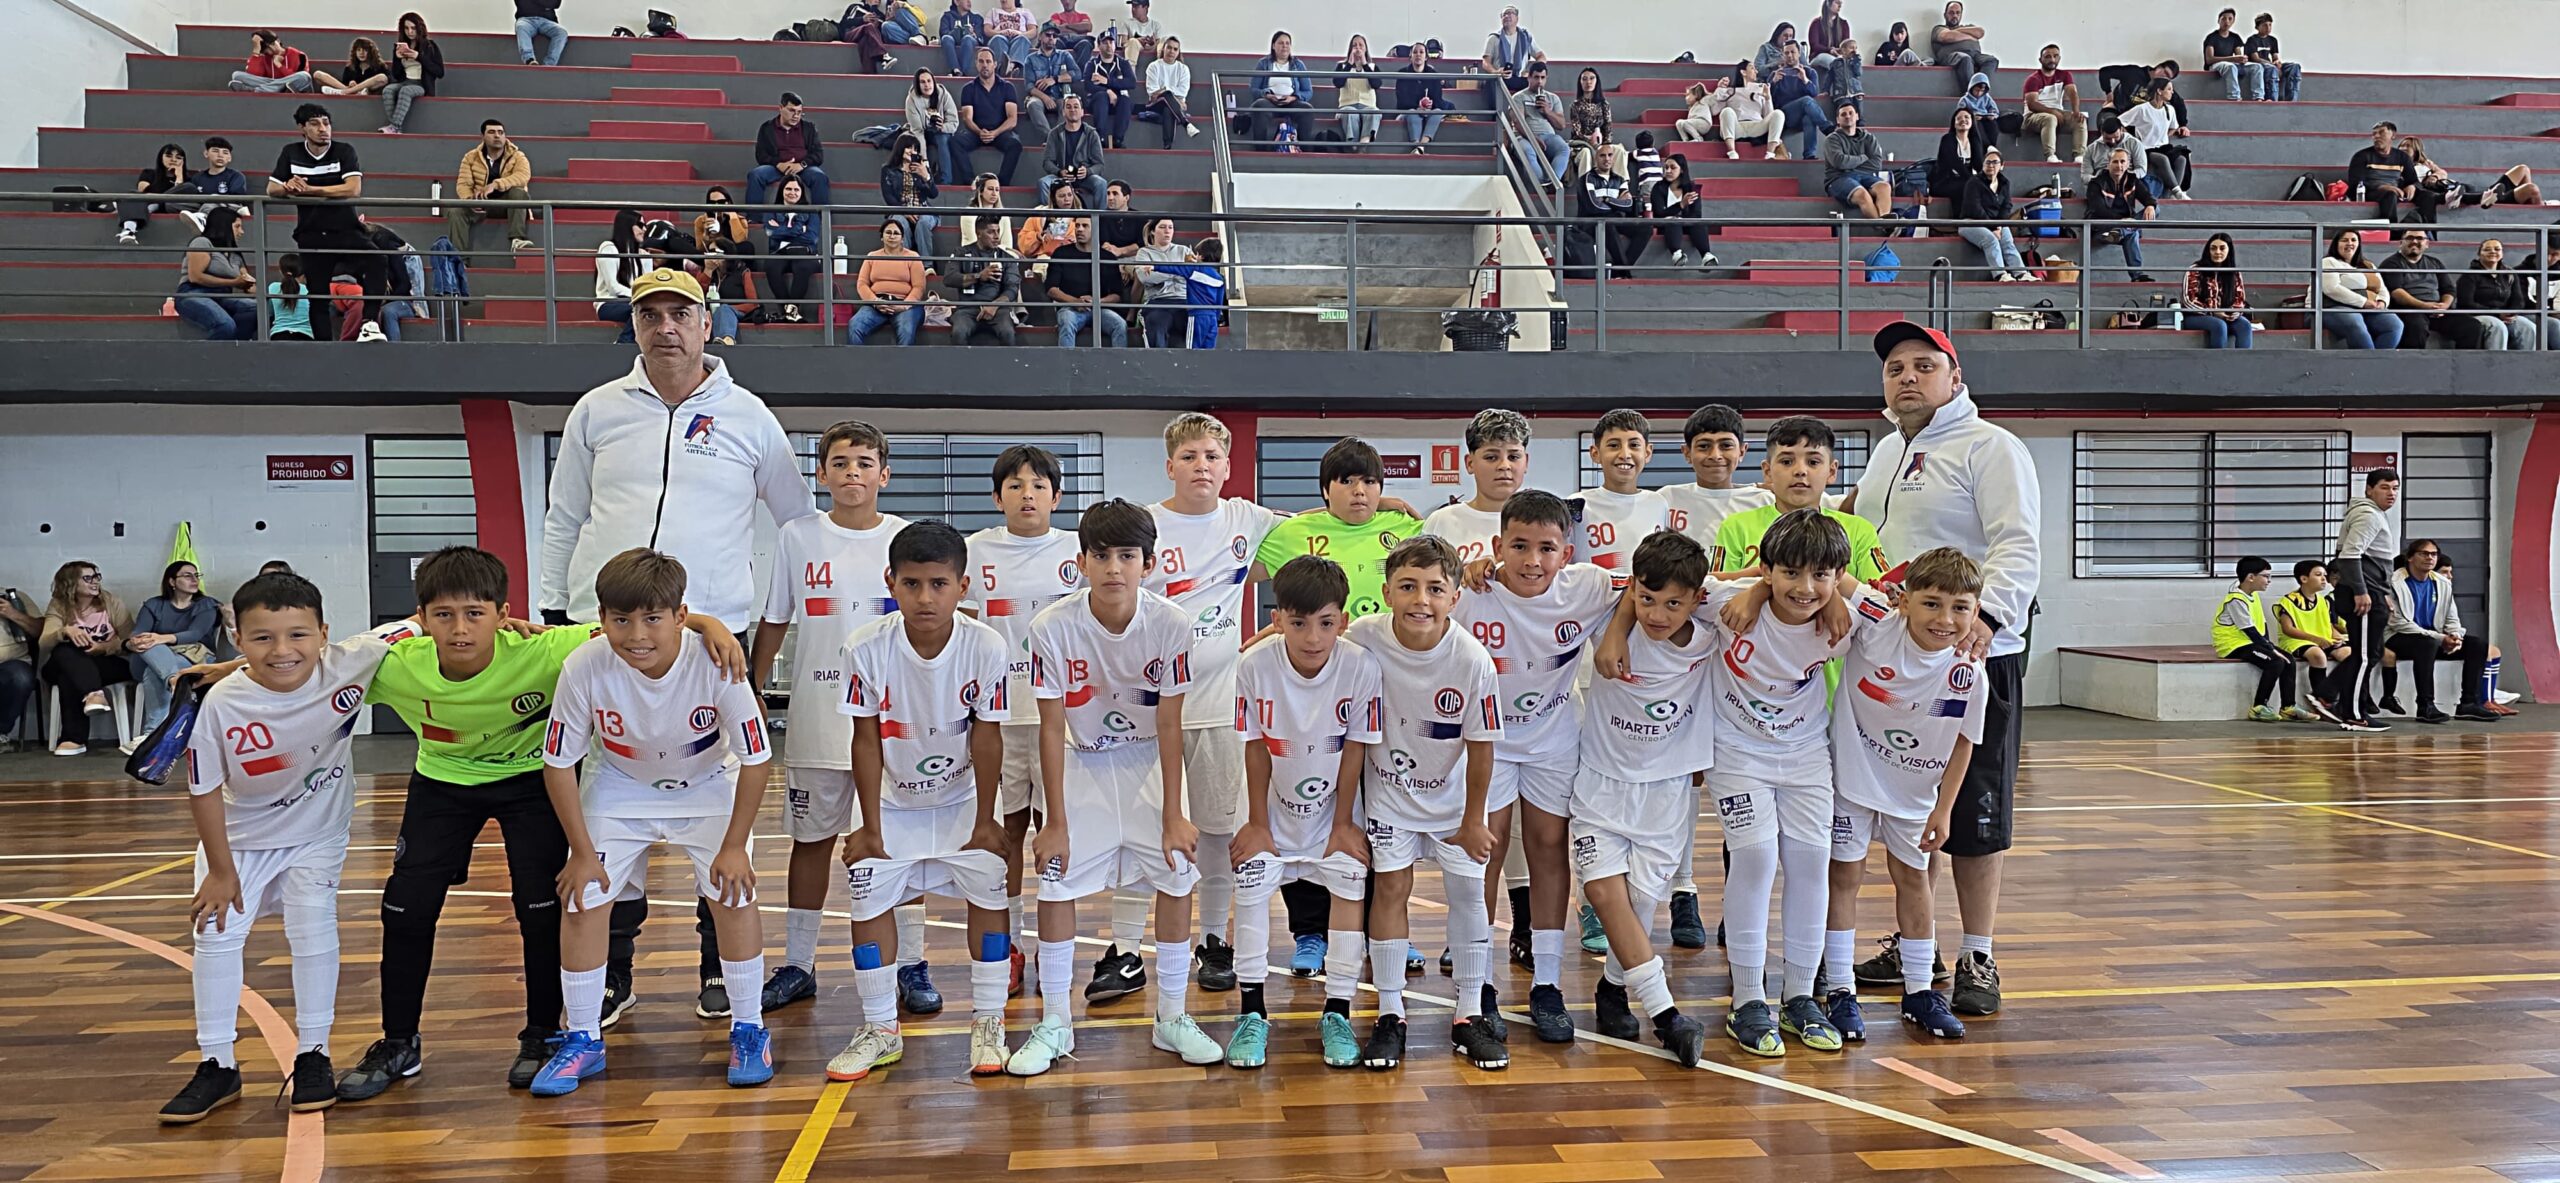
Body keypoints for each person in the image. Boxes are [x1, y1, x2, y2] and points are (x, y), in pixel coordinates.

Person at [320, 546, 747, 1103]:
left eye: (475, 614)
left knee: (544, 905)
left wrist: (711, 624)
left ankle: (543, 1035)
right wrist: (232, 671)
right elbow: (304, 664)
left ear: (503, 614)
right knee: (405, 908)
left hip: (530, 780)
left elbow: (637, 618)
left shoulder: (548, 649)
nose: (459, 629)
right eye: (443, 616)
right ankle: (398, 1041)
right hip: (442, 782)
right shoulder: (395, 664)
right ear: (421, 621)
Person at [537, 266, 811, 1023]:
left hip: (714, 631)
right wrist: (555, 610)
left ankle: (718, 968)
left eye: (678, 313)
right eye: (648, 312)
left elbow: (795, 523)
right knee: (606, 800)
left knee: (716, 796)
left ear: (706, 322)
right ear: (633, 325)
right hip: (608, 628)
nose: (664, 326)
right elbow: (563, 516)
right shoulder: (597, 410)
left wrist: (777, 616)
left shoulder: (750, 416)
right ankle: (613, 969)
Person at [155, 575, 421, 1123]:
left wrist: (524, 624)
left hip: (316, 835)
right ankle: (217, 1063)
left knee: (314, 930)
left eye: (298, 635)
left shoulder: (353, 660)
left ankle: (314, 1053)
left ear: (325, 633)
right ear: (237, 639)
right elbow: (202, 789)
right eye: (261, 640)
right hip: (239, 840)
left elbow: (422, 620)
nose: (282, 651)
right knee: (216, 935)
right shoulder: (221, 705)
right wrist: (221, 871)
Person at [1843, 323, 2043, 1021]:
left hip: (1972, 655)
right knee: (1910, 807)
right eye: (1895, 366)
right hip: (1898, 660)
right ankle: (1914, 943)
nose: (1906, 377)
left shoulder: (1992, 448)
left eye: (1923, 366)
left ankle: (1978, 951)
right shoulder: (1886, 453)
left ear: (1954, 378)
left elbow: (2018, 543)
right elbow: (1865, 543)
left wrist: (1986, 617)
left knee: (1974, 813)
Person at [528, 549, 776, 1096]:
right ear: (601, 618)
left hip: (708, 783)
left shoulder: (717, 663)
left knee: (733, 893)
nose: (636, 635)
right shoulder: (584, 666)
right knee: (583, 896)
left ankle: (749, 1026)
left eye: (652, 619)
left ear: (681, 616)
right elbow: (557, 762)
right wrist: (580, 851)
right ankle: (584, 1038)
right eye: (620, 620)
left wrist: (735, 845)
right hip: (620, 785)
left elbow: (758, 761)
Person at [1005, 498, 1221, 1076]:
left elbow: (1171, 722)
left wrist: (1175, 811)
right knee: (1055, 886)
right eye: (1101, 555)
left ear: (1148, 564)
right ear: (1081, 562)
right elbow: (1051, 726)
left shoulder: (1172, 625)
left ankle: (1172, 1016)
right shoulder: (1050, 627)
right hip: (1082, 767)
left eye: (1127, 555)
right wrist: (1052, 816)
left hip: (1151, 765)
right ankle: (1054, 1021)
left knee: (1177, 878)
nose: (1114, 567)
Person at [818, 522, 1023, 1081]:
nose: (925, 598)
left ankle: (988, 1021)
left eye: (938, 584)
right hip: (889, 801)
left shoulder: (986, 645)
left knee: (988, 891)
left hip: (962, 800)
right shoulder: (865, 646)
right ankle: (881, 1027)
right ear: (891, 582)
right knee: (868, 902)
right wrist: (868, 823)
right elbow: (864, 737)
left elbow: (987, 734)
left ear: (963, 585)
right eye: (911, 584)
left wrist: (986, 819)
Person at [747, 423, 930, 1020]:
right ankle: (798, 964)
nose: (853, 472)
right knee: (811, 842)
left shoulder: (908, 539)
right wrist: (750, 686)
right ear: (821, 474)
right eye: (840, 462)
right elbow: (775, 621)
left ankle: (914, 964)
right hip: (818, 722)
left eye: (865, 462)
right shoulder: (796, 536)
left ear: (885, 474)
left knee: (899, 843)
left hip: (894, 726)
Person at [1445, 488, 1612, 1041]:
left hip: (1553, 742)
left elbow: (1654, 588)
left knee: (1547, 850)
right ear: (1496, 546)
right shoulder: (1470, 592)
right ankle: (1478, 986)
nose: (1532, 561)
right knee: (1481, 859)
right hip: (1485, 745)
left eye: (1546, 548)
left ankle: (1547, 983)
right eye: (1518, 546)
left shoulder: (1588, 587)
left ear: (1567, 553)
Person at [1333, 537, 1501, 1070]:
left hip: (1455, 805)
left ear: (1454, 597)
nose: (1420, 600)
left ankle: (1470, 1012)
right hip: (1390, 798)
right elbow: (1308, 638)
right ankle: (1389, 1013)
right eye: (1407, 587)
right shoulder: (1363, 638)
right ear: (1386, 592)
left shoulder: (1473, 661)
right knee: (1391, 890)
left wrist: (1474, 819)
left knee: (1468, 895)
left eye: (1434, 589)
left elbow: (1481, 747)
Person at [1223, 556, 1384, 1069]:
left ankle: (1337, 1009)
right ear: (1277, 619)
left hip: (1331, 814)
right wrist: (1257, 823)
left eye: (1326, 623)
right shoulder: (1253, 666)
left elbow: (1356, 748)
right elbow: (1253, 748)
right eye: (1298, 623)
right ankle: (1251, 1013)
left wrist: (1342, 824)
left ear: (1343, 620)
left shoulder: (1360, 666)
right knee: (1250, 886)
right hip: (1269, 810)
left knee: (1347, 883)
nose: (1312, 637)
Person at [1570, 530, 1721, 1066]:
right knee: (1606, 897)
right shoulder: (1609, 610)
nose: (1657, 614)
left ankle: (1612, 988)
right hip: (1599, 784)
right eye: (1647, 599)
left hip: (1667, 791)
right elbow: (1556, 584)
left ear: (1697, 597)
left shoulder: (1713, 625)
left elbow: (1764, 589)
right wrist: (1617, 625)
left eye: (1673, 603)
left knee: (1638, 907)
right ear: (1632, 588)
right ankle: (1667, 1016)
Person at [1825, 547, 1986, 1041]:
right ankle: (1839, 990)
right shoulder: (1876, 623)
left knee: (1914, 881)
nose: (1945, 618)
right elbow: (1836, 576)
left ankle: (1919, 991)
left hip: (1913, 792)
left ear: (1976, 611)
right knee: (1844, 878)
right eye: (1932, 603)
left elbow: (1963, 743)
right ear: (1904, 600)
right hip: (1851, 780)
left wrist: (1944, 808)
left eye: (1960, 607)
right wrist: (1832, 594)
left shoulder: (1968, 673)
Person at [957, 448, 1079, 999]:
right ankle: (1007, 945)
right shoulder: (974, 551)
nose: (1026, 494)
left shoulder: (1079, 551)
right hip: (998, 718)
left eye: (1037, 485)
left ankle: (1055, 951)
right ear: (996, 496)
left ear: (1057, 496)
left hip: (1063, 720)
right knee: (1002, 837)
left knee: (1054, 832)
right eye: (1014, 485)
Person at [266, 103, 384, 342]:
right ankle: (322, 345)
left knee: (377, 259)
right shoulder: (291, 152)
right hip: (310, 232)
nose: (323, 129)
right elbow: (272, 188)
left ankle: (369, 322)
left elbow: (353, 189)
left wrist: (310, 190)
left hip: (346, 229)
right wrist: (288, 187)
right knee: (318, 295)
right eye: (315, 124)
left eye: (326, 123)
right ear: (302, 128)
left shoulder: (344, 151)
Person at [2386, 540, 2501, 723]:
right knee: (2427, 644)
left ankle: (2468, 704)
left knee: (2477, 645)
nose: (2429, 558)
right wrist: (2441, 638)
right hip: (2398, 636)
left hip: (2434, 637)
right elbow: (2399, 622)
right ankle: (2425, 705)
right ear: (2410, 557)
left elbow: (2451, 616)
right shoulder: (2394, 581)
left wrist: (2455, 636)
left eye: (2433, 554)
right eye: (2424, 553)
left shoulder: (2442, 582)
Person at [2326, 468, 2399, 731]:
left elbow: (2373, 562)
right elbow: (2349, 556)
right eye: (2384, 487)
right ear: (2368, 489)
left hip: (2373, 591)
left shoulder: (2374, 515)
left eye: (2395, 488)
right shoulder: (2368, 515)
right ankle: (2353, 713)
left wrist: (2384, 593)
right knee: (2366, 655)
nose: (2391, 493)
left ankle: (2328, 694)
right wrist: (2361, 591)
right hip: (2362, 594)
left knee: (2373, 651)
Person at [37, 561, 135, 758]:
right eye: (88, 578)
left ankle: (74, 739)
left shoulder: (111, 602)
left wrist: (104, 648)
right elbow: (44, 643)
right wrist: (65, 631)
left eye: (96, 577)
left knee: (69, 676)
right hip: (67, 662)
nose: (95, 582)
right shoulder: (59, 606)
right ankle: (93, 694)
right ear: (71, 583)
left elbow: (130, 641)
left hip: (106, 662)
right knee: (64, 651)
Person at [128, 561, 224, 741]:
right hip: (156, 659)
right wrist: (135, 641)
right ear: (172, 582)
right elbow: (138, 632)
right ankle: (173, 679)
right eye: (187, 575)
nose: (194, 579)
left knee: (154, 671)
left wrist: (162, 638)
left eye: (196, 575)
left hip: (194, 658)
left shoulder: (206, 605)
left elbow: (195, 633)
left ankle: (152, 734)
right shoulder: (154, 604)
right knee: (151, 647)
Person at [1577, 410, 1671, 585]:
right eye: (1613, 445)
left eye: (1634, 445)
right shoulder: (1577, 505)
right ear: (1595, 453)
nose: (1625, 454)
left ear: (1648, 452)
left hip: (1644, 606)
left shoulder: (1658, 503)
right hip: (1592, 608)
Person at [2213, 557, 2297, 720]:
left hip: (2250, 643)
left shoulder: (2253, 595)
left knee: (2289, 660)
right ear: (2251, 577)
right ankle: (2259, 707)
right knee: (2275, 662)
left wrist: (2269, 645)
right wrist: (2271, 650)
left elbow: (2261, 626)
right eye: (2265, 576)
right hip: (2233, 645)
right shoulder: (2236, 599)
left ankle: (2288, 707)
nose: (2269, 580)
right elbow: (2249, 630)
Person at [2382, 227, 2489, 349]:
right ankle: (2412, 365)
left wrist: (2444, 306)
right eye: (2410, 238)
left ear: (2427, 244)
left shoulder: (2434, 263)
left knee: (2472, 326)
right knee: (2416, 327)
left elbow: (2449, 289)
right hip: (2409, 311)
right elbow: (2397, 293)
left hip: (2437, 311)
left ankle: (2464, 365)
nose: (2415, 241)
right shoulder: (2391, 264)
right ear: (2401, 243)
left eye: (2420, 238)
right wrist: (2425, 306)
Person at [2274, 560, 2351, 722]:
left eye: (2324, 575)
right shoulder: (2288, 600)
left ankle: (2345, 704)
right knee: (2318, 656)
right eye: (2318, 575)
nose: (2324, 579)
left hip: (2324, 639)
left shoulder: (2323, 601)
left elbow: (2328, 626)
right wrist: (2315, 639)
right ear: (2303, 579)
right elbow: (2288, 629)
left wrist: (2338, 638)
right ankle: (2322, 701)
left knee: (2350, 655)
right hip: (2297, 641)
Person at [447, 120, 536, 258]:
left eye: (501, 132)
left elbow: (523, 176)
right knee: (455, 210)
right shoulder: (470, 157)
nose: (497, 136)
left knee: (519, 193)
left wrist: (495, 185)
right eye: (492, 132)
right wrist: (470, 200)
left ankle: (518, 240)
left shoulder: (518, 156)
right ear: (483, 136)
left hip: (507, 205)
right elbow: (463, 184)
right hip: (481, 204)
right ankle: (459, 260)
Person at [176, 207, 260, 340]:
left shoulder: (235, 254)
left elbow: (247, 282)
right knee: (225, 325)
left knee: (258, 308)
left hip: (221, 296)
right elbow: (195, 277)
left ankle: (237, 346)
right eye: (237, 227)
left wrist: (254, 287)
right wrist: (233, 283)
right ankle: (205, 358)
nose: (241, 232)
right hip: (194, 293)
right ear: (225, 225)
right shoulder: (202, 242)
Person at [1567, 144, 1645, 281]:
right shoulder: (1587, 179)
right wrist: (1617, 203)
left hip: (1613, 219)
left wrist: (1607, 200)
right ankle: (1624, 273)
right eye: (1602, 155)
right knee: (1607, 224)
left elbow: (1629, 205)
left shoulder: (1619, 179)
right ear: (1596, 158)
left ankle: (1620, 269)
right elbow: (1593, 207)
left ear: (1614, 158)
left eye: (1610, 155)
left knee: (1646, 228)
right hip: (1589, 222)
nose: (1606, 159)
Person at [2317, 227, 2402, 350]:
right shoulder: (2328, 262)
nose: (2349, 243)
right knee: (2355, 322)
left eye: (2353, 240)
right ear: (2336, 244)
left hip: (2366, 308)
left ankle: (2375, 363)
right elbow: (2331, 288)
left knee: (2395, 325)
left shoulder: (2368, 265)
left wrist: (2382, 303)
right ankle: (2369, 365)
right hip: (2330, 306)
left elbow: (2382, 289)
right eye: (2344, 240)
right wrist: (2364, 302)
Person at [1045, 217, 1127, 346]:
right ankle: (1066, 365)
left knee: (1120, 324)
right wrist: (1075, 302)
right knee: (1067, 322)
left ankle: (1120, 365)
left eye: (1085, 226)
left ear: (1095, 229)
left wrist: (1097, 302)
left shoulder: (1108, 257)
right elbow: (1051, 289)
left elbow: (1117, 295)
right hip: (1070, 307)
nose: (1079, 230)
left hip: (1100, 308)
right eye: (1077, 226)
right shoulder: (1061, 253)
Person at [849, 220, 930, 346]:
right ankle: (860, 364)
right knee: (855, 325)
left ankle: (902, 365)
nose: (892, 236)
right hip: (877, 304)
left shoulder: (913, 256)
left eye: (896, 233)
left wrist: (904, 306)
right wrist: (875, 302)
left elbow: (919, 287)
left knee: (906, 330)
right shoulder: (872, 256)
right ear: (882, 237)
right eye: (888, 232)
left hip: (905, 305)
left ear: (902, 238)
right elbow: (862, 284)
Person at [2085, 147, 2157, 284]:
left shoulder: (2132, 180)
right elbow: (2098, 210)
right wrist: (2122, 220)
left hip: (2121, 229)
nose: (2120, 165)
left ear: (2128, 164)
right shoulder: (2096, 183)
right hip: (2103, 230)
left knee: (2155, 210)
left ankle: (2122, 231)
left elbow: (2148, 197)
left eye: (2123, 161)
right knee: (2132, 232)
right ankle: (2137, 275)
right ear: (2108, 164)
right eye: (2115, 162)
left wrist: (2150, 205)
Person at [948, 216, 1022, 345]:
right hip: (967, 308)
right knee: (959, 332)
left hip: (998, 309)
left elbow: (1012, 288)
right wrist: (978, 276)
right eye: (990, 232)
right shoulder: (961, 252)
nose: (996, 236)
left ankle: (1010, 365)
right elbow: (949, 279)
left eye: (998, 231)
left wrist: (994, 305)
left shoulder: (1007, 258)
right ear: (978, 233)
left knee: (1007, 332)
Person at [1957, 149, 2029, 282]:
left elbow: (2006, 206)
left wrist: (1999, 226)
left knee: (2007, 241)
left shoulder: (2004, 183)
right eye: (1987, 162)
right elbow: (1975, 209)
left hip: (1995, 224)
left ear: (2002, 165)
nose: (1991, 165)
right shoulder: (1974, 182)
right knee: (1991, 240)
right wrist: (1994, 227)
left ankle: (2021, 273)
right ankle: (2000, 275)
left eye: (1995, 162)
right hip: (1970, 222)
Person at [960, 47, 1028, 186]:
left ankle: (1001, 183)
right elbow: (967, 118)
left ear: (995, 64)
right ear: (976, 64)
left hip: (1000, 132)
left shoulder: (1007, 87)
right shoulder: (968, 88)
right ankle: (970, 181)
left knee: (1015, 144)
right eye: (981, 61)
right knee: (955, 142)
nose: (985, 65)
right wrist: (980, 132)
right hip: (977, 132)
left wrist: (995, 133)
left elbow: (1012, 118)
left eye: (988, 61)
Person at [749, 94, 830, 208]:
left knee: (819, 177)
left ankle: (821, 219)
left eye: (799, 112)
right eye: (792, 111)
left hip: (803, 167)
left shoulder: (809, 128)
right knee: (756, 175)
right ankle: (754, 217)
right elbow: (761, 155)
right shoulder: (767, 128)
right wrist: (778, 164)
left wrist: (801, 165)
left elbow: (818, 155)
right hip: (776, 167)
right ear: (781, 108)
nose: (796, 116)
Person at [2459, 239, 2542, 351]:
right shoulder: (2469, 276)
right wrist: (2497, 314)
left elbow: (2518, 300)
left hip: (2504, 316)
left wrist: (2511, 313)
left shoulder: (2510, 274)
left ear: (2502, 253)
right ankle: (2496, 364)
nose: (2493, 252)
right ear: (2479, 254)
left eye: (2497, 249)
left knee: (2529, 327)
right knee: (2498, 327)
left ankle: (2527, 364)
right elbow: (2466, 303)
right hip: (2479, 315)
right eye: (2487, 249)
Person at [759, 178, 822, 322]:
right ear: (782, 190)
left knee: (803, 266)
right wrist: (800, 229)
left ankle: (791, 310)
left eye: (796, 190)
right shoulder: (771, 211)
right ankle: (789, 311)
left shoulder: (812, 212)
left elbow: (811, 238)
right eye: (788, 189)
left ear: (801, 192)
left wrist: (783, 231)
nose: (792, 193)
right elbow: (770, 232)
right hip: (780, 253)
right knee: (771, 266)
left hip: (805, 252)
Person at [1820, 101, 1891, 220]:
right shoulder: (1831, 140)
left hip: (1865, 177)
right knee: (1862, 194)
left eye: (1850, 113)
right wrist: (1863, 158)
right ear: (1838, 120)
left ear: (1857, 116)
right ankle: (1883, 226)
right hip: (1838, 179)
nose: (1847, 116)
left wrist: (1850, 164)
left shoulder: (1868, 138)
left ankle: (1885, 221)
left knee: (1884, 187)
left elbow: (1876, 164)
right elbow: (1839, 162)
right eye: (1843, 114)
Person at [1647, 152, 1716, 268]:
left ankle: (1707, 256)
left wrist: (1682, 217)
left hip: (1688, 224)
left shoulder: (1692, 188)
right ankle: (1677, 255)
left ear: (1682, 170)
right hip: (1667, 225)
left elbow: (1696, 213)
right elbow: (1659, 213)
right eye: (1666, 167)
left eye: (1673, 168)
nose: (1668, 171)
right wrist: (1681, 205)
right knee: (1673, 221)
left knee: (1699, 224)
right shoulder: (1658, 188)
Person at [1043, 91, 1109, 210]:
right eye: (1068, 107)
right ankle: (1050, 219)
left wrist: (1088, 171)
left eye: (1076, 106)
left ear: (1082, 112)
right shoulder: (1054, 133)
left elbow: (1100, 164)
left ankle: (1099, 222)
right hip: (1062, 176)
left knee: (1101, 183)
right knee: (1043, 183)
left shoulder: (1092, 134)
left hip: (1085, 177)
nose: (1072, 109)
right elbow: (1047, 162)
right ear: (1063, 112)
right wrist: (1059, 172)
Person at [1249, 31, 1315, 149]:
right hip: (1270, 102)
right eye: (1281, 43)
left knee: (1307, 110)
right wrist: (1267, 96)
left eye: (1287, 43)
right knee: (1258, 106)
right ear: (1273, 46)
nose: (1284, 46)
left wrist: (1294, 97)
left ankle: (1304, 149)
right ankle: (1260, 150)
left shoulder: (1298, 65)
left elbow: (1308, 91)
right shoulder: (1263, 63)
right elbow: (1254, 89)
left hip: (1291, 102)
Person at [2020, 45, 2086, 164]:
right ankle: (2050, 155)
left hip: (2057, 113)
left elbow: (2072, 92)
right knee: (2050, 118)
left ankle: (2079, 156)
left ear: (2059, 58)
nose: (2052, 60)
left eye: (2055, 56)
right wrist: (2052, 112)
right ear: (2041, 60)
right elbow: (2032, 105)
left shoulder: (2065, 75)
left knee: (2080, 119)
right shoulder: (2033, 79)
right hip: (2032, 116)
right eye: (2048, 57)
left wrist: (2076, 110)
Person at [2124, 82, 2191, 199]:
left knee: (2181, 158)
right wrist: (2132, 139)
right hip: (2145, 148)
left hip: (2163, 147)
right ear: (2159, 91)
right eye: (2169, 89)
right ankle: (2177, 192)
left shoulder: (2170, 109)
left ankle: (2168, 195)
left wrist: (2164, 135)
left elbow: (2173, 127)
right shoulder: (2141, 109)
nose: (2172, 92)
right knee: (2162, 159)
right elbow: (2120, 121)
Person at [112, 143, 188, 246]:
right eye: (169, 156)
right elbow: (144, 192)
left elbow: (181, 198)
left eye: (178, 157)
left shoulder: (188, 180)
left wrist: (179, 178)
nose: (173, 160)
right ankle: (129, 230)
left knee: (188, 188)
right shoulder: (149, 173)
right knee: (132, 194)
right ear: (161, 157)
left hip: (169, 206)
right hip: (150, 204)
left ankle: (128, 223)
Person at [2186, 233, 2252, 348]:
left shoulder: (2234, 272)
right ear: (2208, 250)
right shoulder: (2195, 270)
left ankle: (2243, 364)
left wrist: (2233, 313)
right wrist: (2213, 312)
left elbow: (2239, 299)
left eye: (2222, 248)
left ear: (2229, 250)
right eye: (2213, 248)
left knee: (2245, 325)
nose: (2217, 252)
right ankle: (2218, 364)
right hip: (2197, 316)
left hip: (2225, 315)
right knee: (2219, 325)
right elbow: (2189, 300)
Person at [1132, 217, 1190, 346]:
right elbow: (1145, 278)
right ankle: (1158, 365)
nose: (1167, 231)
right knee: (1155, 324)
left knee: (1197, 323)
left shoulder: (1184, 250)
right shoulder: (1144, 252)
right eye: (1162, 227)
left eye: (1170, 227)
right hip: (1158, 302)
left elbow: (1193, 274)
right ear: (1153, 231)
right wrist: (1178, 270)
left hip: (1184, 301)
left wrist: (1159, 271)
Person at [881, 133, 943, 252]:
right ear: (900, 148)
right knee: (900, 223)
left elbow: (934, 194)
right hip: (899, 211)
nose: (912, 151)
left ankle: (927, 266)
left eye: (915, 149)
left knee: (923, 223)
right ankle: (906, 262)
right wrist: (905, 211)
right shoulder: (888, 170)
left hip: (924, 210)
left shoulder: (923, 168)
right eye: (909, 147)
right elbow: (888, 197)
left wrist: (926, 177)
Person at [1710, 64, 1786, 160]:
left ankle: (1770, 153)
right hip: (1737, 126)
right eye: (1752, 68)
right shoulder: (1731, 91)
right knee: (1727, 111)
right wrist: (1719, 89)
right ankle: (1732, 151)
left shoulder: (1761, 90)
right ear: (1743, 72)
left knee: (1778, 113)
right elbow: (1714, 111)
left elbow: (1769, 116)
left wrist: (1767, 98)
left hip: (1757, 126)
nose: (1756, 71)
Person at [2347, 122, 2418, 223]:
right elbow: (2356, 183)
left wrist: (2412, 186)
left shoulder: (2402, 157)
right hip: (2371, 192)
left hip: (2397, 192)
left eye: (2381, 132)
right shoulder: (2361, 156)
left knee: (2428, 196)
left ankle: (2430, 233)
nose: (2376, 136)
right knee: (2390, 195)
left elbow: (2413, 180)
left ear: (2393, 135)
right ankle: (2391, 234)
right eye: (2374, 134)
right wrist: (2382, 187)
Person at [1769, 44, 1829, 161]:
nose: (1790, 56)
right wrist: (1774, 82)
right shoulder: (1775, 74)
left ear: (1799, 53)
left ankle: (1809, 155)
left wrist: (1805, 80)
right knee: (1806, 101)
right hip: (1783, 115)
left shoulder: (1810, 72)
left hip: (1802, 115)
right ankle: (1827, 128)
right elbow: (1768, 99)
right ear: (1783, 55)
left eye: (1793, 52)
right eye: (1786, 53)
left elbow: (1814, 93)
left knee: (1809, 117)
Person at [594, 210, 644, 343]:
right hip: (608, 304)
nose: (644, 229)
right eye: (640, 225)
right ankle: (622, 344)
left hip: (634, 301)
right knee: (642, 309)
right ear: (627, 226)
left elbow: (647, 282)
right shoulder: (608, 248)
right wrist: (641, 296)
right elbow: (613, 288)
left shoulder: (643, 254)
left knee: (651, 309)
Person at [906, 69, 963, 185]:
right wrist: (925, 160)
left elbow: (954, 122)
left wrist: (943, 127)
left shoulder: (943, 94)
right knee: (911, 142)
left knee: (942, 139)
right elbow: (918, 131)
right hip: (921, 131)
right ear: (917, 84)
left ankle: (946, 181)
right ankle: (921, 179)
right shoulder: (911, 100)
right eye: (922, 82)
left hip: (941, 131)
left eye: (929, 81)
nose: (927, 85)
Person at [1021, 25, 1077, 142]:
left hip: (1060, 95)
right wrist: (1045, 98)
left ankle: (1058, 137)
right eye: (1048, 35)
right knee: (1032, 105)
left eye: (1054, 36)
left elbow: (1077, 74)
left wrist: (1055, 79)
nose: (1051, 38)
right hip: (1039, 97)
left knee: (1068, 104)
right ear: (1040, 36)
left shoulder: (1064, 55)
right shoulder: (1030, 59)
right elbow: (1029, 86)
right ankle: (1052, 140)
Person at [1480, 4, 1544, 106]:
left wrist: (1530, 72)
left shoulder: (1526, 37)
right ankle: (1495, 117)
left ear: (1517, 18)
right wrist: (1496, 71)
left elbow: (1541, 57)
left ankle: (1529, 117)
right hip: (1500, 77)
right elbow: (1485, 62)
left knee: (1536, 82)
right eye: (1504, 14)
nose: (1507, 16)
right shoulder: (1493, 38)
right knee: (1489, 83)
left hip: (1520, 77)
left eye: (1510, 13)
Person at [1083, 30, 1138, 148]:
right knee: (1101, 97)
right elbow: (1088, 85)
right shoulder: (1092, 64)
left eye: (1111, 42)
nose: (1109, 45)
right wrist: (1108, 91)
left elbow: (1131, 83)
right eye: (1105, 43)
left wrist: (1107, 81)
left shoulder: (1123, 63)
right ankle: (1100, 137)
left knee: (1125, 101)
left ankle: (1118, 139)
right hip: (1097, 102)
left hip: (1117, 102)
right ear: (1099, 46)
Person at [1394, 40, 1446, 153]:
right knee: (1412, 113)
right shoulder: (1402, 74)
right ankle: (1415, 144)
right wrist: (1418, 107)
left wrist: (1429, 106)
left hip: (1429, 111)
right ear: (1410, 56)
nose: (1418, 54)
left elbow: (1438, 98)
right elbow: (1401, 100)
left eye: (1421, 52)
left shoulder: (1433, 75)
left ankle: (1421, 146)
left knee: (1438, 112)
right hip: (1408, 111)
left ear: (1426, 57)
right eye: (1415, 52)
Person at [1145, 35, 1197, 147]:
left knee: (1168, 109)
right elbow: (1153, 93)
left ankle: (1167, 146)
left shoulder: (1183, 69)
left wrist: (1164, 89)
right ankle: (1186, 123)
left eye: (1175, 49)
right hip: (1155, 104)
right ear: (1163, 48)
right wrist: (1171, 95)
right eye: (1169, 47)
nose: (1171, 51)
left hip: (1173, 106)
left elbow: (1182, 92)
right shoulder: (1153, 66)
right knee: (1167, 96)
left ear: (1178, 52)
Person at [1334, 35, 1384, 149]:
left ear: (1365, 48)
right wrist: (1349, 65)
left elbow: (1376, 84)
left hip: (1368, 105)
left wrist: (1365, 65)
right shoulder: (1341, 66)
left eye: (1361, 45)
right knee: (1349, 112)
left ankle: (1364, 140)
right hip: (1348, 105)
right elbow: (1338, 83)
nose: (1358, 48)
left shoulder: (1372, 66)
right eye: (1354, 45)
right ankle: (1354, 144)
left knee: (1374, 112)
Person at [1930, 1, 1998, 86]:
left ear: (1961, 15)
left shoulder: (1968, 26)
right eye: (1951, 13)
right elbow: (1947, 36)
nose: (1955, 15)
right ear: (1945, 15)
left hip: (1975, 55)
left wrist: (1956, 31)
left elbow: (1980, 32)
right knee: (1965, 58)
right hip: (1952, 57)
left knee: (1991, 60)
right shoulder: (1939, 28)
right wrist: (1971, 37)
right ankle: (1970, 94)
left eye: (1958, 13)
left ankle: (1981, 90)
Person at [230, 30, 318, 93]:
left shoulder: (299, 55)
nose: (271, 49)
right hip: (272, 83)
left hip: (294, 87)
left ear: (278, 41)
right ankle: (278, 89)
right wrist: (256, 50)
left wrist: (279, 65)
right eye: (266, 49)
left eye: (272, 44)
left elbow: (299, 81)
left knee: (304, 76)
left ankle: (256, 90)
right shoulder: (263, 58)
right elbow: (254, 74)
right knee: (237, 75)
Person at [2202, 8, 2261, 101]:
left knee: (2257, 67)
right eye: (2224, 19)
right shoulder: (2212, 37)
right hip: (2215, 65)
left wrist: (2242, 59)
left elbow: (2238, 56)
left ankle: (2258, 97)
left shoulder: (2235, 37)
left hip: (2231, 64)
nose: (2227, 22)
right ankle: (2234, 97)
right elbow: (2209, 59)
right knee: (2230, 67)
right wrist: (2233, 59)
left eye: (2230, 19)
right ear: (2218, 20)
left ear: (2233, 21)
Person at [2245, 12, 2301, 101]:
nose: (2268, 28)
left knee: (2294, 67)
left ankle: (2292, 99)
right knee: (2271, 68)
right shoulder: (2252, 40)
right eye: (2264, 25)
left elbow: (2275, 56)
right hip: (2260, 66)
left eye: (2270, 25)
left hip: (2270, 64)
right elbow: (2256, 58)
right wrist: (2273, 65)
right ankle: (2272, 99)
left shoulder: (2273, 40)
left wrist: (2277, 62)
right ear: (2257, 27)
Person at [1930, 109, 1983, 203]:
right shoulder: (1947, 139)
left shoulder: (1975, 142)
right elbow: (1954, 163)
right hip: (1944, 182)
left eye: (1966, 117)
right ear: (1954, 124)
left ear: (1972, 122)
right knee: (1966, 187)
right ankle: (1961, 217)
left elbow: (1979, 165)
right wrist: (1972, 181)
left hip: (1967, 180)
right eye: (1959, 118)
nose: (1963, 120)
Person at [265, 254, 314, 341]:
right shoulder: (309, 290)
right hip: (306, 336)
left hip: (278, 335)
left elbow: (268, 312)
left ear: (281, 271)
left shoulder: (273, 287)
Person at [986, 0, 1037, 73]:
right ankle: (1002, 67)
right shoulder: (993, 11)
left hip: (1018, 38)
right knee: (997, 39)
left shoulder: (1025, 12)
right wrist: (1000, 33)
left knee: (1022, 39)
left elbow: (1033, 32)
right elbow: (987, 30)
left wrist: (1019, 33)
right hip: (1000, 38)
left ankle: (1011, 66)